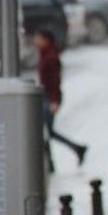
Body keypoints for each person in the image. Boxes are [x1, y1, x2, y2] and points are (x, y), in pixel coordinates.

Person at [34, 29, 88, 167]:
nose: (35, 41)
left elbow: (55, 81)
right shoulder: (45, 54)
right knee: (46, 132)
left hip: (49, 98)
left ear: (45, 40)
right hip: (46, 97)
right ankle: (57, 159)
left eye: (38, 38)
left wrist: (54, 100)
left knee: (48, 132)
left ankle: (75, 150)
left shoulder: (51, 57)